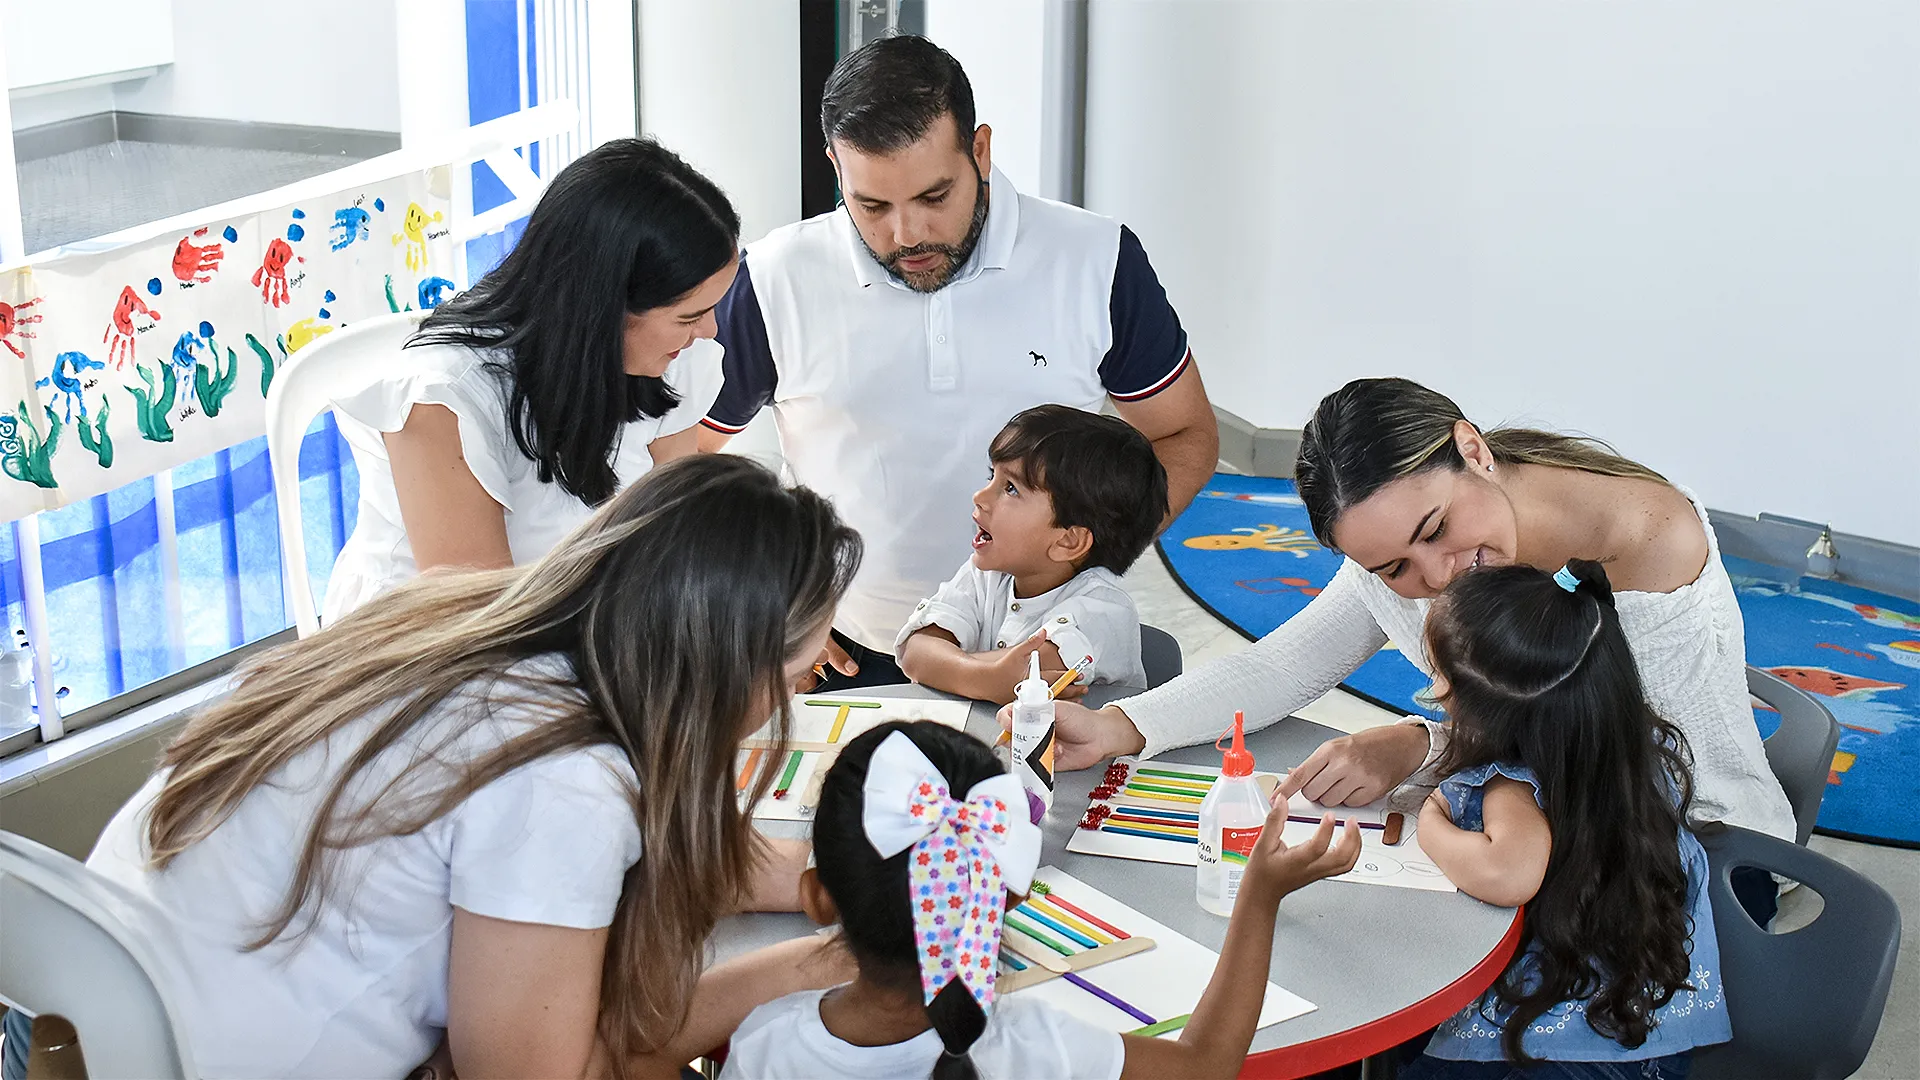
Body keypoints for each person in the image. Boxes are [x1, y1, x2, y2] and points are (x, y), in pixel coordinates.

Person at [60, 456, 858, 1077]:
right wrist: (824, 964)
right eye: (794, 678)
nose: (787, 703)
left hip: (79, 1020)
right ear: (720, 670)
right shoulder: (564, 779)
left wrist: (838, 875)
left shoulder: (452, 616)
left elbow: (680, 852)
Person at [1044, 377, 1794, 923]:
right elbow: (1284, 662)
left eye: (1435, 531)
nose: (1435, 577)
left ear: (1473, 449)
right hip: (1536, 831)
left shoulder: (1644, 541)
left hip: (1692, 857)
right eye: (1392, 567)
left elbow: (1618, 762)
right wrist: (1120, 725)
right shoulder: (1409, 537)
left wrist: (1424, 745)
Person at [697, 35, 1219, 690]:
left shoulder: (1096, 259)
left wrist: (1084, 558)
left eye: (934, 197)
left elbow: (1182, 435)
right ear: (835, 166)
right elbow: (676, 465)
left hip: (1047, 658)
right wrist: (762, 597)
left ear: (980, 150)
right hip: (843, 657)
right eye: (872, 205)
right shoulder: (775, 278)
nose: (907, 235)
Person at [719, 720, 1361, 1080]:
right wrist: (1258, 898)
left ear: (817, 898)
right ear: (1012, 891)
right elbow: (1204, 1066)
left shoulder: (762, 1049)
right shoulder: (1035, 1047)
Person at [322, 137, 741, 622]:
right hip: (433, 643)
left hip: (580, 618)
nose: (709, 330)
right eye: (689, 316)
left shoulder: (664, 357)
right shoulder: (444, 398)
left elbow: (676, 536)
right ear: (604, 307)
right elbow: (477, 625)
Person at [1402, 560, 1730, 1077]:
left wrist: (1431, 822)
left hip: (1558, 1045)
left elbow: (1507, 873)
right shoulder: (1632, 755)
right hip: (1648, 1028)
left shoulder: (1511, 785)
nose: (1436, 690)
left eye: (1439, 676)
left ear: (1477, 707)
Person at [895, 405, 1168, 704]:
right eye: (992, 476)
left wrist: (954, 666)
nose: (980, 497)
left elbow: (1030, 672)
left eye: (1011, 488)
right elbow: (916, 651)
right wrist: (986, 679)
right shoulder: (986, 575)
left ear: (1068, 541)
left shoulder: (1104, 611)